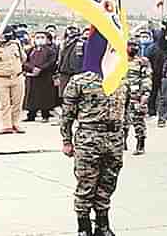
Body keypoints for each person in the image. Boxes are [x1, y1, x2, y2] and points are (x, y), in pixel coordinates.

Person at [61, 62, 128, 236]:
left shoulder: (120, 79)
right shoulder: (79, 81)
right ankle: (83, 227)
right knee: (86, 184)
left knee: (108, 183)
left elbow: (124, 112)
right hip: (89, 138)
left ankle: (102, 225)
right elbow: (67, 115)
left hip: (114, 139)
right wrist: (66, 140)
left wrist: (124, 138)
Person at [0, 25, 27, 135]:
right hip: (0, 78)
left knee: (17, 103)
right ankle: (6, 126)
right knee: (4, 104)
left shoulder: (16, 44)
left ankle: (16, 124)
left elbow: (23, 58)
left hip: (17, 77)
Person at [123, 40, 152, 156]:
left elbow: (147, 78)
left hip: (136, 95)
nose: (132, 48)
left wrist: (145, 94)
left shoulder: (142, 62)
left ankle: (140, 144)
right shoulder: (118, 60)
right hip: (121, 94)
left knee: (138, 120)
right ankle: (122, 142)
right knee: (121, 120)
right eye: (130, 45)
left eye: (135, 45)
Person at [23, 31, 59, 122]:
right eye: (37, 37)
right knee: (31, 97)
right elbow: (24, 61)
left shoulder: (51, 51)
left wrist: (40, 69)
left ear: (47, 40)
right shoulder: (30, 50)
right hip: (31, 77)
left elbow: (51, 62)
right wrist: (32, 68)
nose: (39, 39)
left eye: (42, 37)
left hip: (45, 77)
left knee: (45, 97)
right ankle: (31, 115)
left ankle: (45, 115)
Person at [57, 26, 85, 98]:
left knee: (71, 95)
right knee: (63, 94)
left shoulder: (80, 42)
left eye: (74, 29)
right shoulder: (64, 42)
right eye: (70, 29)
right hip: (63, 71)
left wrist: (76, 71)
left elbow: (78, 57)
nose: (72, 31)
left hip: (73, 72)